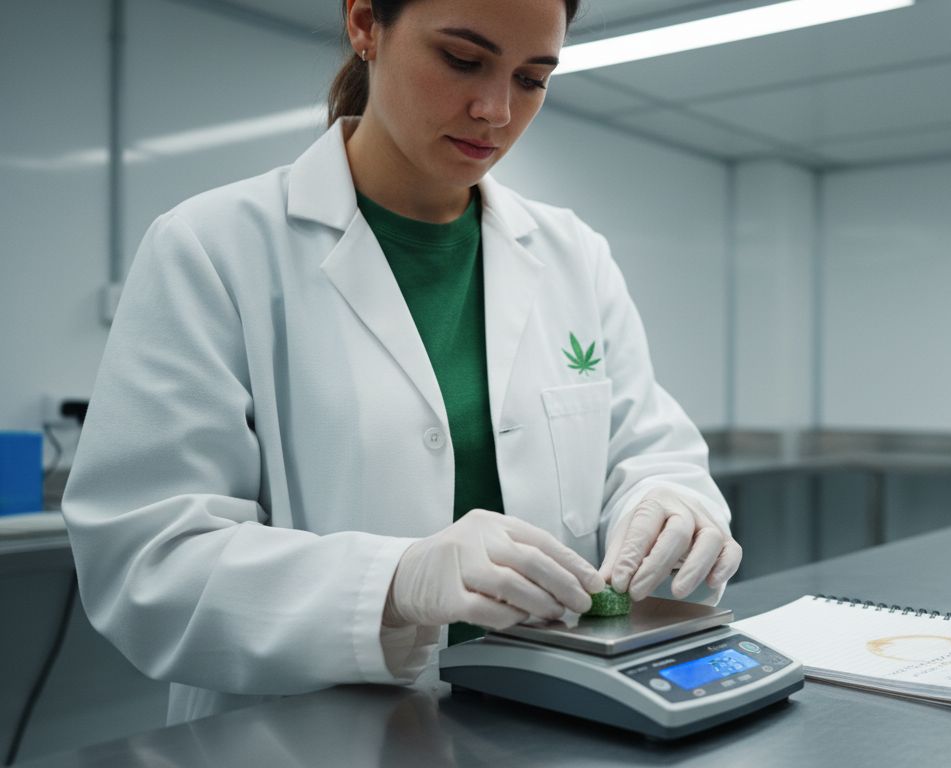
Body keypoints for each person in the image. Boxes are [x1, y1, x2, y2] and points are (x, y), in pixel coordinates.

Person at [62, 0, 741, 724]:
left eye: (533, 78)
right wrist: (392, 582)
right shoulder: (213, 248)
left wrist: (669, 507)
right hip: (301, 736)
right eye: (461, 59)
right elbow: (148, 564)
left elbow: (647, 451)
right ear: (364, 23)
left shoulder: (575, 256)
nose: (495, 110)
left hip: (545, 725)